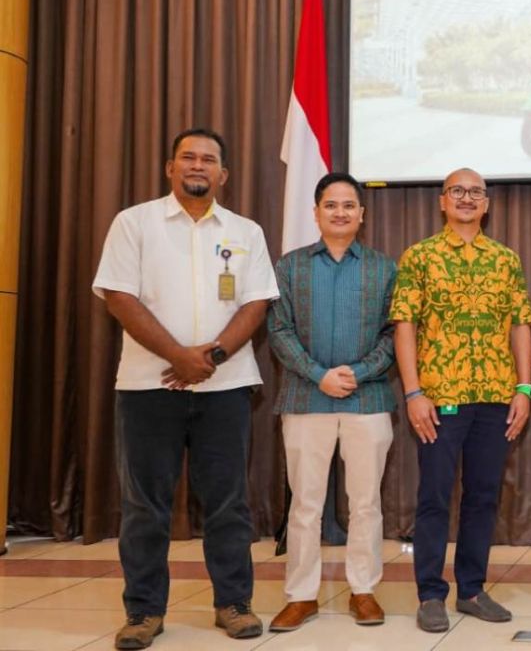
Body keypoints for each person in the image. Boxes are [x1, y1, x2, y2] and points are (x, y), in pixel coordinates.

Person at [92, 128, 278, 649]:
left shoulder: (246, 231)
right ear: (170, 168)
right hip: (149, 387)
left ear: (223, 174)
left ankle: (233, 603)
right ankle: (144, 611)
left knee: (228, 503)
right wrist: (178, 356)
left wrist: (211, 357)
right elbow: (120, 298)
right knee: (144, 504)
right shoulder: (134, 223)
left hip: (226, 385)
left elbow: (256, 303)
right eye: (188, 157)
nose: (198, 165)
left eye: (209, 159)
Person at [390, 168, 531, 633]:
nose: (467, 199)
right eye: (459, 191)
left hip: (495, 396)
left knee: (483, 497)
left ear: (487, 204)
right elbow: (405, 325)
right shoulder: (420, 257)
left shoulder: (505, 259)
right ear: (443, 201)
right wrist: (413, 392)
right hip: (439, 399)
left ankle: (471, 589)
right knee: (433, 497)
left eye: (476, 192)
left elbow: (520, 324)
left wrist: (525, 388)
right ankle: (431, 594)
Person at [266, 172, 398, 632]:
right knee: (305, 504)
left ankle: (363, 590)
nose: (340, 212)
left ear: (362, 214)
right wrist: (319, 375)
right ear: (316, 212)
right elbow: (278, 330)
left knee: (365, 503)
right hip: (306, 398)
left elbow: (393, 333)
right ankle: (301, 595)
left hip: (369, 399)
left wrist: (357, 374)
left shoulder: (385, 268)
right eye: (331, 204)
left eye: (349, 205)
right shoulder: (290, 267)